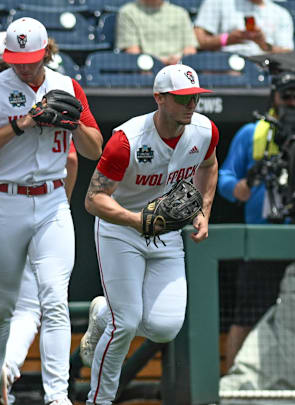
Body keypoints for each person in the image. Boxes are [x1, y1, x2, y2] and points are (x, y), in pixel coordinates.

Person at [0, 17, 103, 405]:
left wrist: (73, 121)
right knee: (2, 307)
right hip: (5, 200)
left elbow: (95, 148)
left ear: (46, 52)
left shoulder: (67, 85)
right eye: (16, 58)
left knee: (54, 300)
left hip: (51, 200)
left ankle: (57, 396)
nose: (23, 65)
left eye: (30, 58)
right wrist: (22, 123)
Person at [81, 64, 219, 405]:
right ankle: (99, 400)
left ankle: (102, 313)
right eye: (182, 98)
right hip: (119, 231)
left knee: (165, 327)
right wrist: (135, 220)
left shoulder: (204, 131)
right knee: (125, 323)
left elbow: (209, 165)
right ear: (159, 97)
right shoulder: (126, 141)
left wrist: (204, 210)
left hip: (166, 233)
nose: (191, 105)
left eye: (195, 98)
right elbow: (93, 199)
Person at [216, 71, 295, 370]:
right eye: (287, 96)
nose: (292, 103)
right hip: (263, 241)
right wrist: (243, 187)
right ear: (274, 97)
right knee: (246, 316)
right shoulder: (253, 133)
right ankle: (233, 389)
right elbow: (225, 178)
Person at [194, 0, 293, 56]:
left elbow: (287, 54)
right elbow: (196, 41)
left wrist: (263, 44)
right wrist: (227, 39)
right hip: (225, 65)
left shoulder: (281, 14)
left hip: (265, 68)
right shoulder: (217, 2)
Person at [116, 0, 197, 65]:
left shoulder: (180, 13)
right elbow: (133, 53)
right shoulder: (128, 13)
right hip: (147, 72)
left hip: (179, 71)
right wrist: (161, 63)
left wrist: (179, 63)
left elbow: (190, 50)